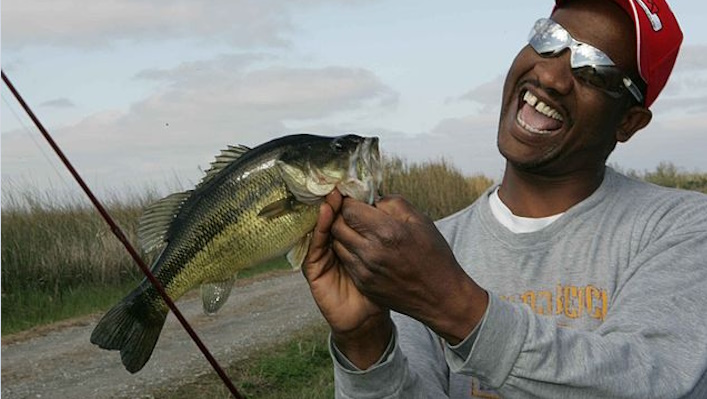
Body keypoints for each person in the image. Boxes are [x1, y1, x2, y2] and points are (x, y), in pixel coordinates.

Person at [302, 0, 707, 398]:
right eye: (549, 38)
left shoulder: (682, 228)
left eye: (594, 69)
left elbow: (654, 379)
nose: (550, 75)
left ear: (628, 122)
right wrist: (366, 344)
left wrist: (453, 304)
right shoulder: (426, 249)